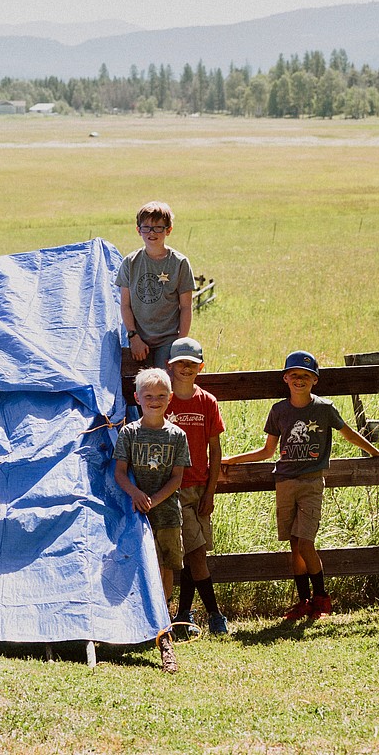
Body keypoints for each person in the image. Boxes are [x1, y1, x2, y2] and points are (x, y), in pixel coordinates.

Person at [221, 350, 379, 620]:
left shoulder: (324, 409)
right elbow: (268, 451)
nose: (299, 380)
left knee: (306, 543)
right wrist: (233, 459)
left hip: (311, 482)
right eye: (294, 375)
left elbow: (348, 433)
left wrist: (374, 452)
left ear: (315, 380)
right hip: (286, 482)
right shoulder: (279, 410)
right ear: (286, 378)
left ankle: (322, 598)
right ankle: (303, 602)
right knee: (294, 544)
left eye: (306, 375)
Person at [113, 367, 191, 673]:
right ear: (137, 398)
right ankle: (144, 619)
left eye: (161, 396)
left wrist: (154, 499)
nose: (155, 401)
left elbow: (177, 478)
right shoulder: (129, 433)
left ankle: (164, 620)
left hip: (167, 512)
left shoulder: (177, 436)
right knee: (145, 562)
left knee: (168, 565)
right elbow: (119, 472)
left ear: (170, 398)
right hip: (136, 512)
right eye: (148, 396)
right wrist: (135, 494)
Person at [165, 337, 229, 635]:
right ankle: (214, 616)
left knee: (194, 554)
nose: (186, 369)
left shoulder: (207, 402)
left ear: (200, 367)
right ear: (170, 367)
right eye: (181, 364)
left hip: (200, 489)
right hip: (172, 489)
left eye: (192, 364)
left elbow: (215, 450)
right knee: (197, 552)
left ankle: (184, 615)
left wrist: (211, 490)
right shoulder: (163, 400)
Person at [115, 201, 194, 369]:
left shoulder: (179, 263)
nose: (152, 233)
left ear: (168, 230)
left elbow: (186, 307)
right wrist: (133, 337)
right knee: (139, 389)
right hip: (138, 339)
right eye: (146, 227)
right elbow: (125, 305)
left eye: (158, 227)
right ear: (138, 230)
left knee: (162, 386)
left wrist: (179, 343)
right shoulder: (130, 262)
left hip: (168, 340)